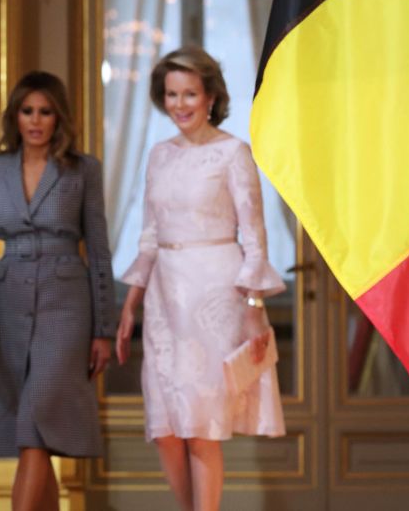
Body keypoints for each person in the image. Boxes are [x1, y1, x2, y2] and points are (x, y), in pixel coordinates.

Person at [115, 45, 285, 511]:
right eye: (171, 94)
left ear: (211, 96)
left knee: (200, 427)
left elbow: (254, 237)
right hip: (164, 298)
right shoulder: (158, 155)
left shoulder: (233, 152)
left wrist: (253, 309)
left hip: (216, 293)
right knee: (166, 428)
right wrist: (131, 303)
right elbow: (149, 236)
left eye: (190, 93)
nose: (180, 104)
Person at [0, 72, 117, 511]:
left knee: (38, 415)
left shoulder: (82, 169)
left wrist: (104, 330)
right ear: (14, 116)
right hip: (9, 302)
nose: (36, 121)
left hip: (67, 306)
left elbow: (98, 248)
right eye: (27, 111)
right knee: (30, 426)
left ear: (59, 117)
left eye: (46, 111)